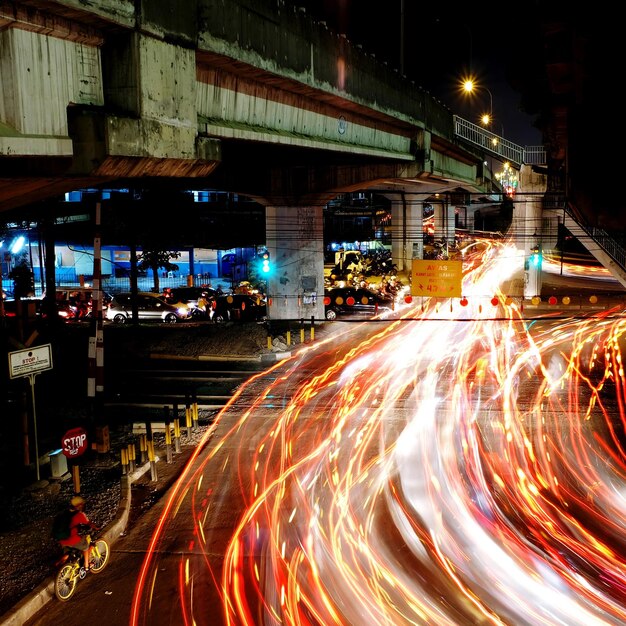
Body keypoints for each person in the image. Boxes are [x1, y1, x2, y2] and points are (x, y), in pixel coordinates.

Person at [58, 496, 99, 571]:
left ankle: (61, 562)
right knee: (85, 547)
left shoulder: (66, 513)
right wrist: (96, 527)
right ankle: (86, 566)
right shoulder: (80, 514)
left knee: (70, 548)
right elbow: (89, 524)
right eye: (82, 504)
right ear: (79, 505)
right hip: (71, 539)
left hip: (62, 539)